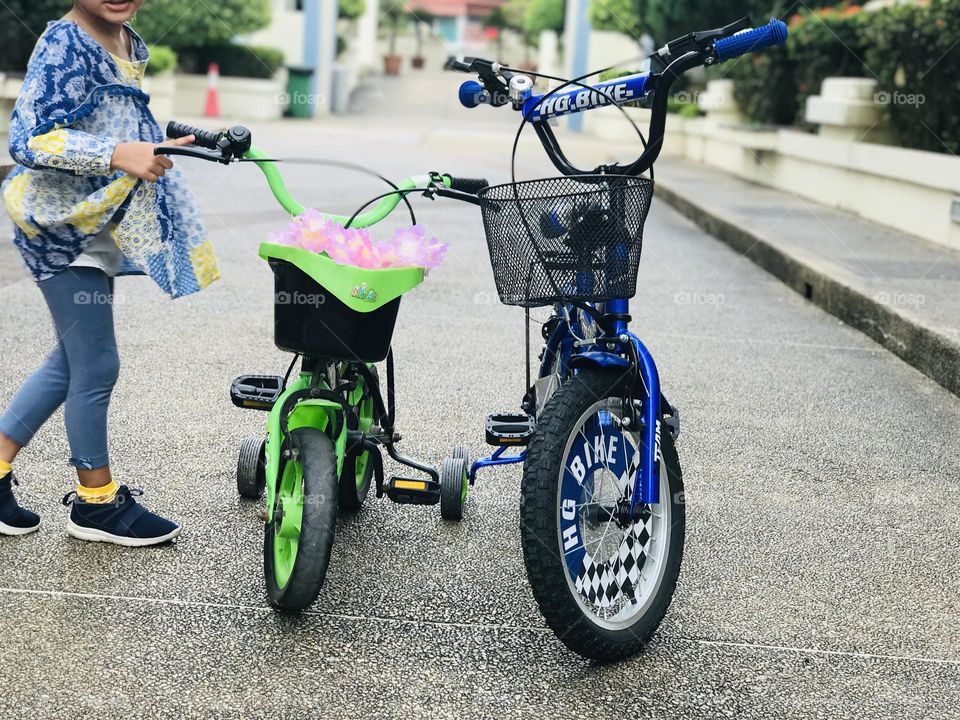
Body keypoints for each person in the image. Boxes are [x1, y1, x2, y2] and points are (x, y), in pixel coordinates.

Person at [0, 0, 219, 546]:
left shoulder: (124, 39)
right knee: (97, 363)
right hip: (59, 225)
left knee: (69, 362)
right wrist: (118, 152)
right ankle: (95, 502)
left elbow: (115, 120)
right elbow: (28, 138)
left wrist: (157, 145)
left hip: (93, 222)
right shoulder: (65, 42)